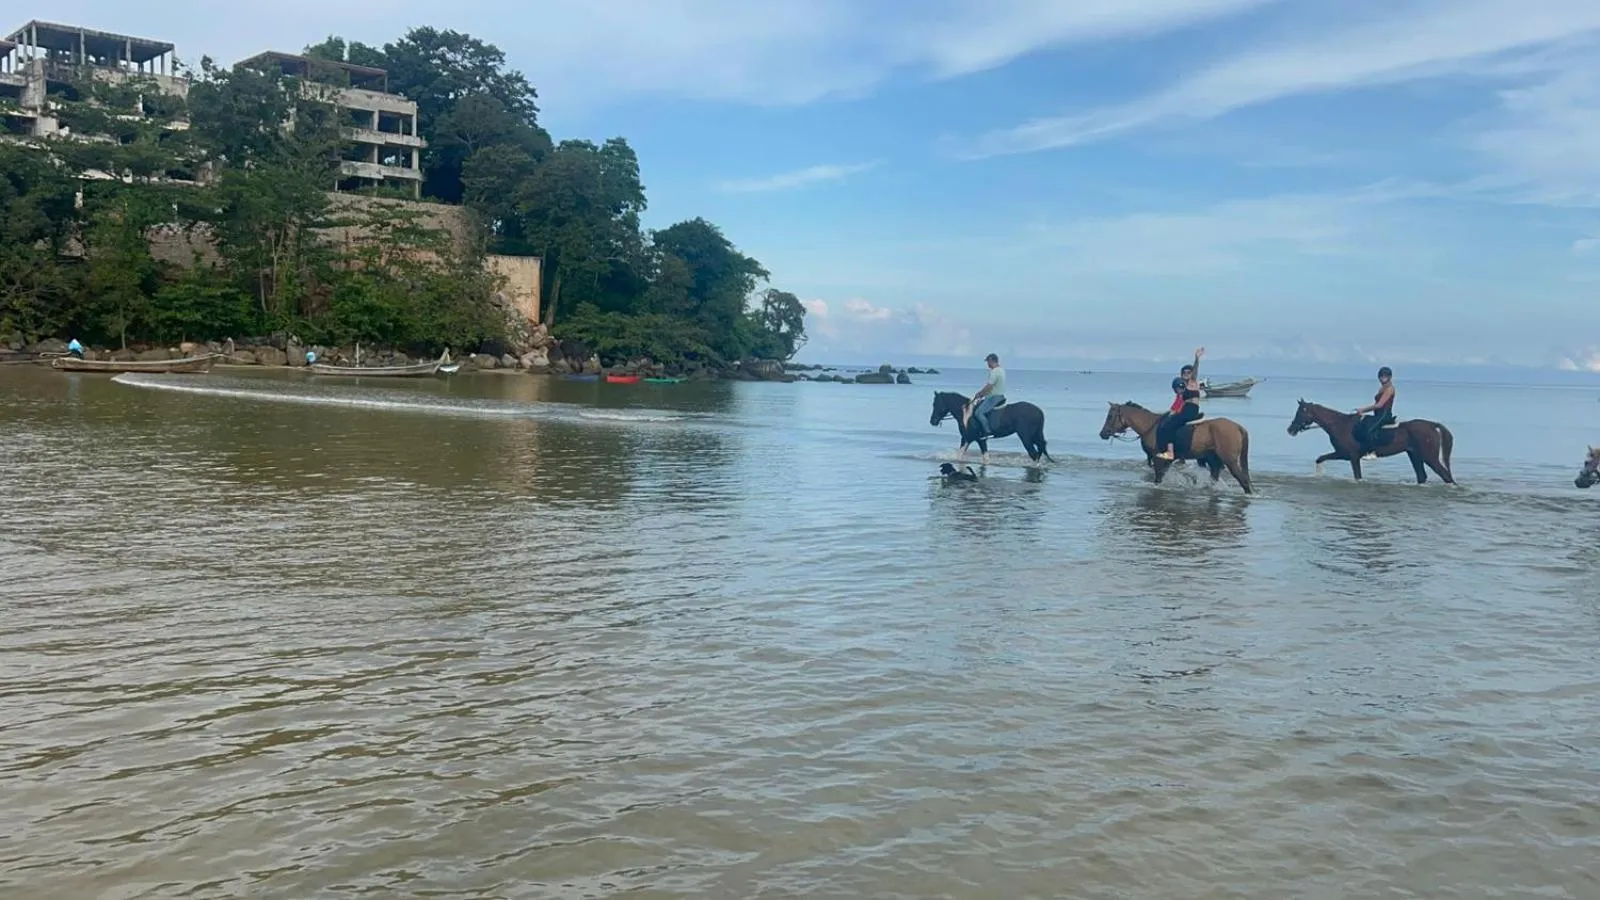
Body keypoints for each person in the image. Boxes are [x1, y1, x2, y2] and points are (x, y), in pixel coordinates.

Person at [1156, 347, 1205, 460]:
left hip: (1191, 409)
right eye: (1184, 372)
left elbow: (1195, 369)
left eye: (1189, 372)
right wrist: (1170, 413)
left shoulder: (1192, 382)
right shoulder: (1182, 388)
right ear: (1181, 374)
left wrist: (1197, 358)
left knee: (1168, 426)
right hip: (1186, 408)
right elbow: (1177, 404)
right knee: (1169, 421)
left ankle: (1170, 452)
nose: (1187, 374)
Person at [1353, 366, 1396, 457]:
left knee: (1370, 429)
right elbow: (1376, 405)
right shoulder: (1382, 388)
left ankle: (1373, 451)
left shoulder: (1389, 389)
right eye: (1381, 376)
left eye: (1385, 376)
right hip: (1378, 414)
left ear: (1389, 377)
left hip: (1385, 414)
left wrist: (1363, 409)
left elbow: (1379, 405)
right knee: (1363, 423)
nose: (1382, 378)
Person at [966, 353, 1007, 437]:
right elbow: (994, 386)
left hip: (994, 397)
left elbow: (989, 386)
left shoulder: (994, 372)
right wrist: (982, 395)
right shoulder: (1001, 370)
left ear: (991, 361)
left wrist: (980, 393)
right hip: (1000, 395)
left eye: (988, 362)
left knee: (978, 413)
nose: (987, 364)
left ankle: (987, 431)